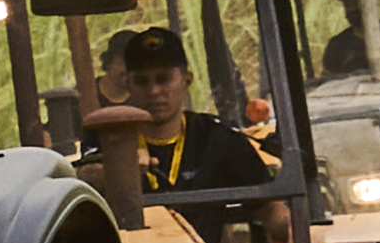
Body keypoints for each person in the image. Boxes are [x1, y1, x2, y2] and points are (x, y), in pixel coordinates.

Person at [84, 23, 271, 199]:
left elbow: (278, 218)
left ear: (186, 81)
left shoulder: (217, 138)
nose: (153, 91)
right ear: (128, 86)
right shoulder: (109, 138)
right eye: (142, 81)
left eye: (163, 79)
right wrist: (112, 173)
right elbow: (82, 176)